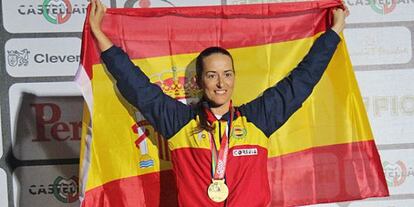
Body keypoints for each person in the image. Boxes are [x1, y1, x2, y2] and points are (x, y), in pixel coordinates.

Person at [88, 0, 348, 206]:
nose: (221, 83)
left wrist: (333, 32)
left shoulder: (258, 119)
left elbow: (302, 80)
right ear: (200, 81)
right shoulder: (181, 123)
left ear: (234, 78)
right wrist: (99, 35)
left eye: (227, 74)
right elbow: (138, 88)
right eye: (212, 75)